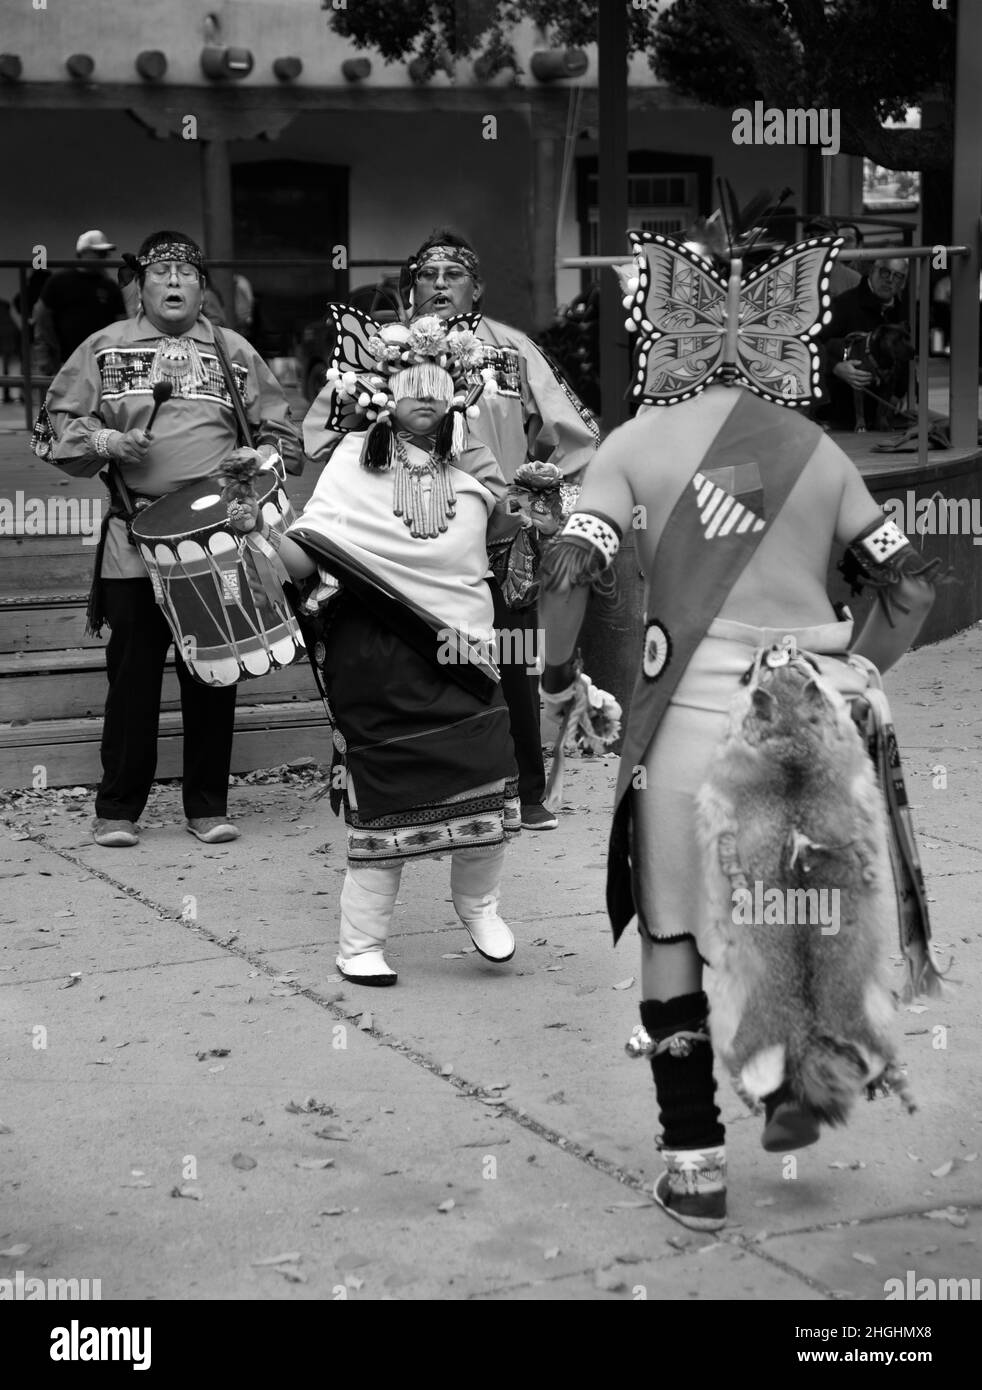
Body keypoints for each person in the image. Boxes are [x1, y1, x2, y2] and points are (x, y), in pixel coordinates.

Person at [539, 220, 943, 1231]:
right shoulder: (817, 451)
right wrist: (853, 668)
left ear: (659, 339)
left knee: (672, 929)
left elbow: (568, 570)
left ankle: (694, 1164)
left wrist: (553, 681)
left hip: (687, 721)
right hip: (810, 714)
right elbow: (909, 583)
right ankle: (792, 1086)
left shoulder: (630, 446)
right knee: (798, 909)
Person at [229, 311, 526, 987]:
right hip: (377, 653)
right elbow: (307, 560)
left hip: (466, 650)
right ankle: (359, 943)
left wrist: (554, 517)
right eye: (410, 382)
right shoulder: (349, 462)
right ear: (384, 390)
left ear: (458, 390)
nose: (424, 394)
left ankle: (479, 907)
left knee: (484, 791)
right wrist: (259, 530)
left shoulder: (480, 464)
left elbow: (517, 550)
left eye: (437, 381)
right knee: (382, 807)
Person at [304, 229, 600, 831]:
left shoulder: (514, 352)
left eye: (454, 275)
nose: (439, 285)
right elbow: (321, 434)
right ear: (411, 286)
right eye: (428, 275)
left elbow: (578, 438)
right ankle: (414, 788)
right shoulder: (383, 350)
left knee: (510, 665)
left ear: (477, 286)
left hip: (495, 539)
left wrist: (546, 501)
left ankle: (523, 789)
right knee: (410, 664)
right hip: (398, 546)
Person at [33, 229, 304, 849]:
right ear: (140, 286)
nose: (176, 282)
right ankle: (119, 808)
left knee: (215, 672)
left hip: (220, 541)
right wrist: (107, 442)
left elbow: (284, 437)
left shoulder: (233, 351)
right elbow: (52, 431)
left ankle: (207, 804)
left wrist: (256, 460)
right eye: (163, 273)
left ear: (204, 288)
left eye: (188, 273)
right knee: (132, 676)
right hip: (136, 537)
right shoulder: (104, 349)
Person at [818, 255, 910, 430]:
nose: (890, 281)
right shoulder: (843, 304)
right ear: (871, 272)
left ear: (903, 283)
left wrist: (902, 392)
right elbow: (815, 344)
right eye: (885, 272)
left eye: (897, 276)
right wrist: (836, 367)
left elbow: (907, 357)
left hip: (887, 413)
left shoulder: (904, 311)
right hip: (841, 412)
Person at [34, 230, 126, 372]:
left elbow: (120, 325)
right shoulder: (59, 282)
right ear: (83, 253)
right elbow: (41, 320)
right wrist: (45, 357)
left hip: (100, 363)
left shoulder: (109, 286)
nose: (104, 258)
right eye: (99, 253)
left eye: (105, 254)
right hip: (65, 362)